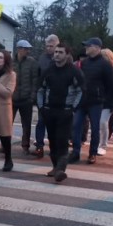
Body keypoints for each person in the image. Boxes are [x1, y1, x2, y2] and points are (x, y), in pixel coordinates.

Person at [36, 43, 84, 182]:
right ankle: (55, 167)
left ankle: (60, 170)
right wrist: (41, 107)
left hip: (65, 112)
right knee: (52, 141)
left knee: (62, 141)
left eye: (60, 52)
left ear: (67, 54)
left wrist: (73, 108)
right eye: (56, 52)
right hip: (49, 111)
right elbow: (40, 90)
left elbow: (81, 91)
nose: (57, 54)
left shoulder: (74, 71)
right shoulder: (48, 71)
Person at [69, 37, 113, 164]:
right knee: (76, 125)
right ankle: (75, 152)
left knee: (95, 128)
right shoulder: (84, 63)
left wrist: (102, 97)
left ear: (96, 48)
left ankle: (92, 153)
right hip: (82, 101)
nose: (85, 48)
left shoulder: (105, 65)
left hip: (96, 102)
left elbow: (112, 85)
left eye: (88, 46)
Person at [11, 40, 39, 156]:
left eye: (28, 49)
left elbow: (35, 80)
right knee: (7, 123)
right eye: (25, 48)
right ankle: (5, 144)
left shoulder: (32, 62)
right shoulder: (11, 62)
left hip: (26, 98)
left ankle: (25, 145)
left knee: (26, 124)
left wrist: (32, 97)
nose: (28, 51)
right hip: (12, 98)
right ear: (19, 49)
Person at [34, 34, 59, 155]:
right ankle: (39, 146)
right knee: (41, 122)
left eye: (51, 46)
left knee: (54, 124)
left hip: (58, 95)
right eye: (47, 46)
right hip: (43, 94)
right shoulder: (42, 58)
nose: (49, 48)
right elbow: (38, 76)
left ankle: (55, 147)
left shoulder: (62, 57)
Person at [97, 48, 113, 156]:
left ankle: (103, 145)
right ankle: (98, 144)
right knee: (98, 124)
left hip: (108, 103)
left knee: (103, 122)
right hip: (98, 101)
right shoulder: (99, 70)